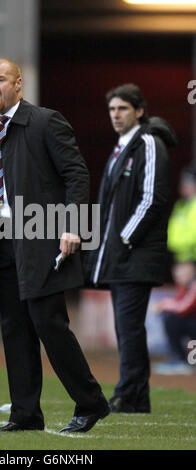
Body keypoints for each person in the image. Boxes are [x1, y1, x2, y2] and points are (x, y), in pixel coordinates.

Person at [0, 58, 109, 433]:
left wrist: (74, 227)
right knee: (14, 330)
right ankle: (25, 414)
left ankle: (91, 402)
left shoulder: (46, 122)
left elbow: (76, 173)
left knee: (49, 325)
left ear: (18, 83)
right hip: (0, 244)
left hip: (40, 240)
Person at [83, 83, 177, 413]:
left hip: (135, 254)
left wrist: (124, 239)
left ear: (139, 111)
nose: (116, 115)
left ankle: (130, 393)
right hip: (121, 256)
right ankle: (134, 395)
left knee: (129, 326)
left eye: (122, 108)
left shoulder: (148, 143)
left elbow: (153, 198)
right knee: (126, 327)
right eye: (112, 109)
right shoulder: (121, 147)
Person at [153, 261, 196, 375]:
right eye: (177, 275)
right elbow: (178, 301)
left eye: (184, 274)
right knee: (174, 319)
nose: (180, 278)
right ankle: (181, 360)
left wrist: (162, 305)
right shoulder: (185, 287)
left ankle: (180, 360)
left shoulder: (194, 285)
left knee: (172, 320)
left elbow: (184, 307)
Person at [167, 167, 196, 263]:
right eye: (182, 182)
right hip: (180, 257)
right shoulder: (180, 205)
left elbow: (193, 235)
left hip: (191, 258)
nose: (183, 185)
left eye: (187, 182)